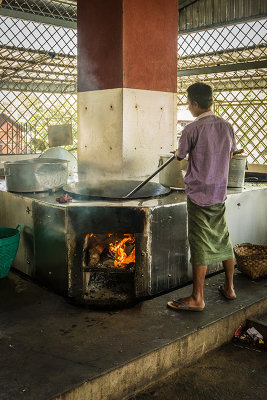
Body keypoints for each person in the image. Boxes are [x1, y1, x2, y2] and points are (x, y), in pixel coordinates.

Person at [167, 82, 237, 312]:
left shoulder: (191, 129)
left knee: (199, 243)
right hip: (219, 193)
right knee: (222, 238)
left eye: (189, 103)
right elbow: (231, 153)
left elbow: (180, 156)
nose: (189, 107)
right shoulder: (227, 126)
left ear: (195, 103)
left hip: (199, 195)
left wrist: (177, 154)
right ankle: (229, 287)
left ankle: (197, 298)